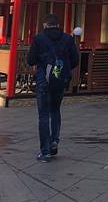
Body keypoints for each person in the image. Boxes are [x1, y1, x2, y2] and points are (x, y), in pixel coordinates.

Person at [27, 14, 79, 162]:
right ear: (58, 25)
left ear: (45, 25)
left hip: (43, 80)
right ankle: (54, 140)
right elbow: (75, 60)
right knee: (55, 110)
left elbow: (31, 60)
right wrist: (60, 70)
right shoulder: (68, 39)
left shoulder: (39, 39)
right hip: (60, 81)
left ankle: (45, 152)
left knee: (43, 115)